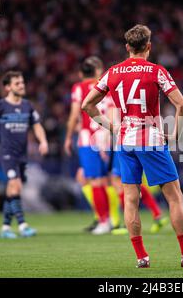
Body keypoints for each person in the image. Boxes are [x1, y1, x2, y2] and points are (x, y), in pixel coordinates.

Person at [82, 24, 183, 268]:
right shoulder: (157, 71)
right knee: (174, 197)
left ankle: (141, 257)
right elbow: (182, 106)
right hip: (150, 138)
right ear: (149, 47)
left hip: (125, 140)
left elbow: (87, 104)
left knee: (131, 199)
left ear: (127, 47)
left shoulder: (113, 72)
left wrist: (111, 127)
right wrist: (175, 135)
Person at [0, 71, 49, 238]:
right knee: (15, 185)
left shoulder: (27, 106)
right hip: (7, 153)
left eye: (22, 82)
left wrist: (43, 141)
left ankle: (5, 227)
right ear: (7, 87)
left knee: (13, 189)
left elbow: (37, 125)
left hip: (22, 155)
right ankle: (22, 225)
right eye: (17, 83)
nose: (22, 85)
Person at [64, 56, 115, 235]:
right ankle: (110, 220)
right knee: (108, 180)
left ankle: (104, 221)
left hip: (89, 139)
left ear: (81, 73)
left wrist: (68, 137)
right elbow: (112, 111)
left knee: (95, 181)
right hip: (106, 137)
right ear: (97, 71)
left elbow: (73, 115)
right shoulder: (106, 87)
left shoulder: (78, 88)